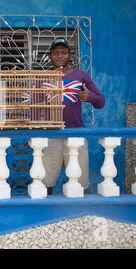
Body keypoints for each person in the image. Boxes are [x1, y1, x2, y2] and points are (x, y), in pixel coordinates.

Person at [42, 37, 105, 194]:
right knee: (44, 183)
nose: (60, 56)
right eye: (56, 53)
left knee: (81, 183)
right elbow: (34, 109)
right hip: (51, 136)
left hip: (76, 134)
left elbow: (101, 102)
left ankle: (84, 213)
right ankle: (45, 215)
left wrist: (89, 97)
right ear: (50, 56)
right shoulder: (42, 78)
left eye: (64, 52)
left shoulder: (81, 76)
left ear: (70, 55)